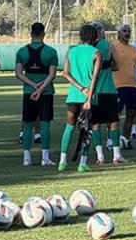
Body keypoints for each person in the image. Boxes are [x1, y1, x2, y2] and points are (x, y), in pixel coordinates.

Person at [15, 22, 59, 167]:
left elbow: (18, 73)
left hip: (28, 92)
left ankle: (26, 158)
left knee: (28, 125)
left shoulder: (22, 51)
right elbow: (52, 75)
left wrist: (33, 86)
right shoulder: (51, 52)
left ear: (31, 33)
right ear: (44, 33)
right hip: (46, 92)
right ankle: (45, 158)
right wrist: (40, 89)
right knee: (45, 124)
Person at [61, 25, 103, 172]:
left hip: (73, 95)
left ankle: (62, 161)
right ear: (95, 37)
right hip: (88, 98)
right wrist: (89, 97)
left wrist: (79, 88)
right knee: (87, 130)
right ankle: (82, 163)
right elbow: (95, 78)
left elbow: (65, 73)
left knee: (69, 127)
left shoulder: (71, 51)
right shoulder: (97, 53)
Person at [90, 21, 126, 164]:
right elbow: (116, 65)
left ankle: (100, 157)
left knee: (95, 123)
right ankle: (117, 155)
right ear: (100, 32)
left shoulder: (86, 48)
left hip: (93, 91)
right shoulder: (107, 45)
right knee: (113, 122)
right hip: (109, 89)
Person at [111, 24, 136, 151]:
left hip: (133, 85)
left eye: (129, 31)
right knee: (115, 115)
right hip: (118, 85)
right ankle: (111, 141)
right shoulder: (113, 47)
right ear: (119, 33)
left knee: (132, 113)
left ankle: (125, 139)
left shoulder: (134, 50)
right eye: (124, 31)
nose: (127, 33)